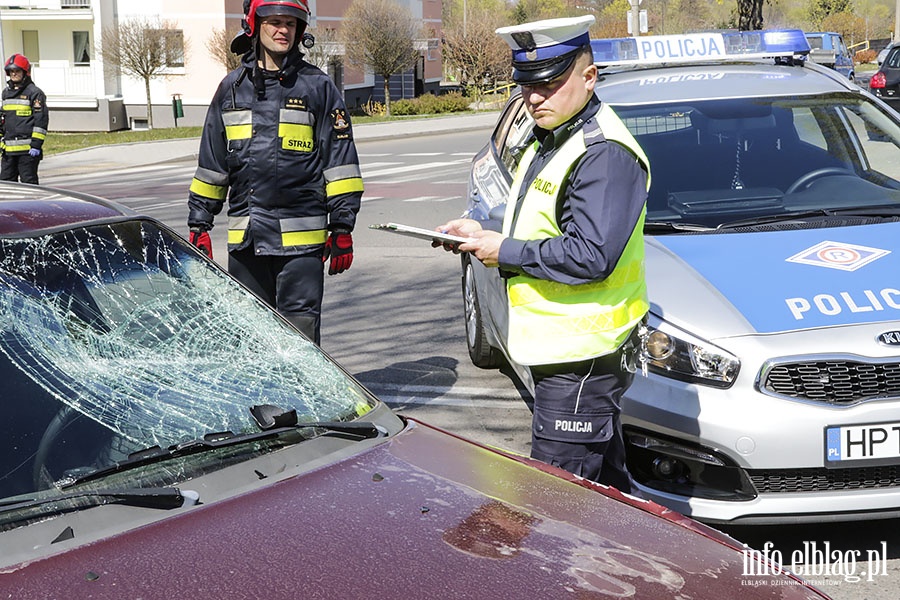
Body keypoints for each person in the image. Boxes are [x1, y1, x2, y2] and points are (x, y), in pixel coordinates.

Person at [436, 15, 650, 493]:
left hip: (583, 360)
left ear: (589, 77)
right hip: (567, 356)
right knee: (607, 498)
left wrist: (504, 251)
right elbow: (541, 222)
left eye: (551, 83)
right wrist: (482, 231)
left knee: (557, 505)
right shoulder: (553, 136)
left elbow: (593, 254)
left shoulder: (602, 153)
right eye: (528, 85)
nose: (535, 98)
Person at [187, 0, 363, 345]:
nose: (283, 30)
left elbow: (340, 162)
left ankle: (299, 402)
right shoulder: (231, 90)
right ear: (254, 25)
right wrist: (199, 223)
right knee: (252, 343)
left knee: (300, 341)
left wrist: (342, 226)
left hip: (301, 247)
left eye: (291, 24)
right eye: (275, 22)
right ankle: (259, 402)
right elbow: (212, 165)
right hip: (247, 241)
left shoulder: (318, 87)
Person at [0, 54, 48, 184]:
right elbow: (2, 119)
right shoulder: (6, 93)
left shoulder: (34, 93)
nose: (14, 74)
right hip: (8, 151)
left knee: (29, 185)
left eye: (17, 71)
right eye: (11, 71)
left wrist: (36, 145)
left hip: (28, 152)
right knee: (6, 186)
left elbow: (41, 121)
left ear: (25, 72)